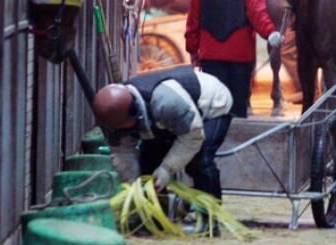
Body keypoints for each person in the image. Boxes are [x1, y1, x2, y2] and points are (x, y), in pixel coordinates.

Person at [92, 66, 233, 234]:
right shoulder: (111, 116)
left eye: (124, 128)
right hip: (167, 117)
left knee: (199, 163)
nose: (122, 133)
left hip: (211, 104)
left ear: (133, 115)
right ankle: (154, 218)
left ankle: (209, 221)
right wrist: (134, 189)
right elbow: (123, 154)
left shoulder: (166, 103)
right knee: (148, 164)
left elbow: (192, 137)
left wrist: (167, 168)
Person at [185, 0, 282, 119]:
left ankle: (213, 149)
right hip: (240, 57)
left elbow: (193, 19)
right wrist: (270, 33)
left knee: (213, 111)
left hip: (210, 57)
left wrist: (193, 49)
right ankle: (234, 148)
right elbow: (257, 12)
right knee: (237, 112)